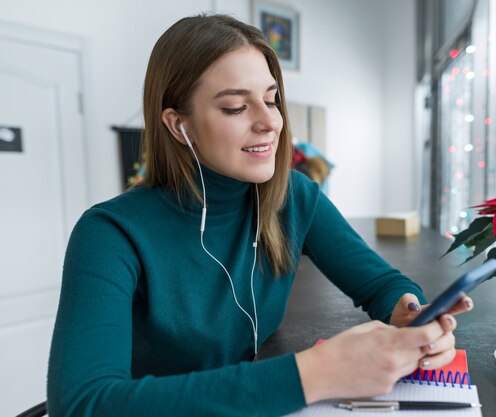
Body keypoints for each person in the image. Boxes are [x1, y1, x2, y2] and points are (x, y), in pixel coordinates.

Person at [47, 14, 473, 417]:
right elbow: (83, 403)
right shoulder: (109, 234)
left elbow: (381, 284)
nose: (270, 122)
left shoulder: (294, 196)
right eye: (236, 107)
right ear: (179, 126)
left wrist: (411, 312)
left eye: (272, 100)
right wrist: (315, 373)